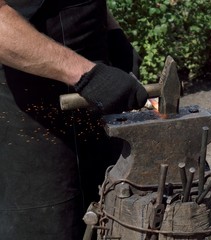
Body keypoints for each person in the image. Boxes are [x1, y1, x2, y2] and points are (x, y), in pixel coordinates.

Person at [0, 0, 148, 239]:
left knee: (112, 212)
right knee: (49, 226)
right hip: (26, 116)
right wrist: (86, 75)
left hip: (94, 100)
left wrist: (113, 32)